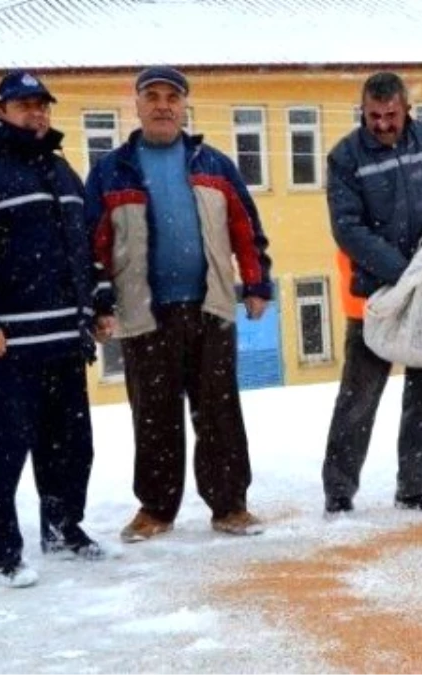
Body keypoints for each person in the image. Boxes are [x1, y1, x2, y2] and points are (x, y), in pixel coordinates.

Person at [85, 66, 273, 542]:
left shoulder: (214, 164)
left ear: (185, 106)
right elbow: (93, 244)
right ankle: (155, 509)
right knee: (153, 414)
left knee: (219, 412)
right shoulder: (112, 170)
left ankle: (230, 505)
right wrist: (98, 301)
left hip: (209, 306)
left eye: (173, 96)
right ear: (138, 105)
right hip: (143, 312)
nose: (163, 105)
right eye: (153, 96)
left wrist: (255, 284)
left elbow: (245, 230)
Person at [0, 71, 105, 588]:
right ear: (1, 110)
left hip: (63, 340)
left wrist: (99, 304)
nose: (37, 113)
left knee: (71, 446)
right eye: (25, 104)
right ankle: (1, 552)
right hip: (9, 343)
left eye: (42, 105)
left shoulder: (60, 170)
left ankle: (62, 527)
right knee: (4, 450)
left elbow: (83, 247)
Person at [323, 71, 422, 515]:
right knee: (359, 397)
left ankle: (415, 484)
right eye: (374, 116)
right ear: (363, 111)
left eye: (391, 115)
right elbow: (347, 228)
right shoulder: (345, 158)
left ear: (406, 109)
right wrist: (401, 270)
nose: (383, 124)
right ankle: (338, 492)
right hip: (377, 297)